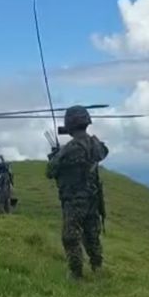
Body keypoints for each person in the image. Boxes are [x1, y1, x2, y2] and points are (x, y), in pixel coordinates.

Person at [46, 105, 109, 280]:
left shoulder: (69, 149)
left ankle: (76, 274)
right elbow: (104, 152)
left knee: (71, 236)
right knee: (91, 235)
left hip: (74, 200)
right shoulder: (96, 144)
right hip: (93, 199)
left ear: (70, 124)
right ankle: (97, 267)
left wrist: (55, 156)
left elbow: (50, 171)